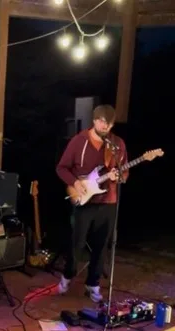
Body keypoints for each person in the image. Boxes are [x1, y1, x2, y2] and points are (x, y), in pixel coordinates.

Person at [56, 105, 129, 303]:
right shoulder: (78, 141)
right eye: (102, 121)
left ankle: (93, 283)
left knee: (101, 245)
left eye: (109, 123)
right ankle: (68, 275)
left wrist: (118, 176)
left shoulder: (117, 144)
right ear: (94, 120)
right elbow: (61, 168)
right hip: (84, 200)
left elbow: (124, 172)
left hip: (108, 201)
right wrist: (75, 182)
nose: (105, 126)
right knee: (77, 243)